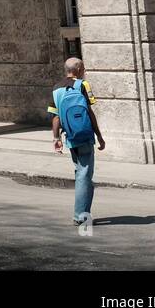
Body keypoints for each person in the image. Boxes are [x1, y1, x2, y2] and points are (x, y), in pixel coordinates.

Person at [49, 57, 106, 231]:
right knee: (84, 174)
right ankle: (80, 216)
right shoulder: (83, 85)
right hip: (85, 135)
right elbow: (89, 112)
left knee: (81, 172)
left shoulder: (56, 88)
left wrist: (56, 138)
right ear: (80, 68)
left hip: (71, 137)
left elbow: (56, 116)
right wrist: (99, 136)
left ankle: (82, 213)